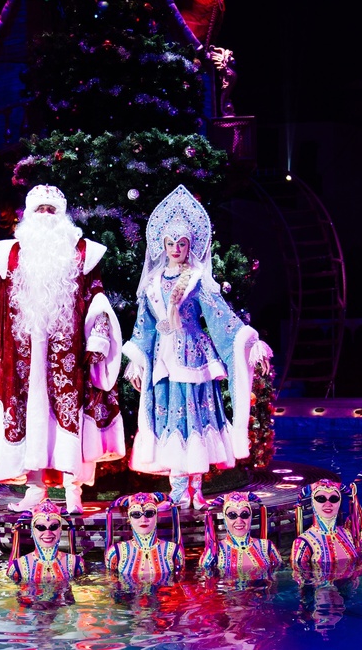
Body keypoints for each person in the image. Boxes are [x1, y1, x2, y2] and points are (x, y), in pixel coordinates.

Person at [0, 184, 125, 514]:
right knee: (28, 415)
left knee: (69, 416)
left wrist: (99, 337)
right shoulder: (11, 254)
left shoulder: (83, 253)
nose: (45, 215)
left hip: (67, 354)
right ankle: (34, 487)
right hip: (20, 355)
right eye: (39, 209)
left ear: (62, 216)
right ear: (28, 215)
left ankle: (73, 489)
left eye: (51, 210)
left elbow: (97, 297)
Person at [123, 184, 272, 509]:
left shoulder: (198, 279)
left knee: (195, 418)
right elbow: (143, 326)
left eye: (182, 243)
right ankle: (178, 492)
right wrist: (136, 359)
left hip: (194, 356)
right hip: (163, 359)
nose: (176, 248)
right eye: (171, 243)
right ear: (162, 245)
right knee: (171, 419)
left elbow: (221, 317)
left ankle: (196, 490)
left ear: (190, 245)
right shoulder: (152, 284)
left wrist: (249, 341)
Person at [104, 491, 184, 582]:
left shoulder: (174, 551)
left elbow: (179, 584)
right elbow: (112, 585)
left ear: (156, 516)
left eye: (149, 513)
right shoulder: (116, 553)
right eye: (136, 514)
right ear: (129, 519)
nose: (143, 520)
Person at [198, 491, 281, 579]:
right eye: (232, 515)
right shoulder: (214, 552)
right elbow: (205, 581)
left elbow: (280, 575)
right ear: (225, 519)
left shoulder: (267, 546)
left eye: (244, 515)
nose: (239, 521)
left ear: (250, 517)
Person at [290, 479, 362, 577]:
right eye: (321, 499)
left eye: (334, 499)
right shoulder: (303, 542)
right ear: (313, 502)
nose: (328, 504)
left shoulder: (347, 534)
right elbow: (300, 579)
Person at [6, 499, 85, 583]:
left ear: (60, 530)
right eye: (41, 527)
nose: (48, 533)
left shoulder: (76, 564)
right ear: (32, 530)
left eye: (53, 527)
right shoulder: (17, 568)